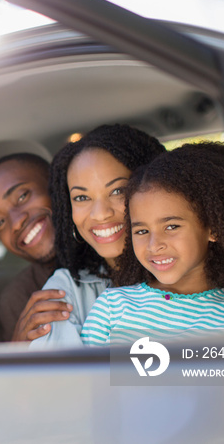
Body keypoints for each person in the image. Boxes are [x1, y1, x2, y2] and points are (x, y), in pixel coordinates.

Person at [79, 142, 224, 345]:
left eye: (171, 227)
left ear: (212, 228)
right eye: (142, 231)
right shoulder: (112, 306)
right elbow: (82, 376)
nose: (154, 244)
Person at [30, 124, 166, 348]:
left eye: (118, 191)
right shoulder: (65, 290)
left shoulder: (205, 274)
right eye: (82, 198)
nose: (101, 214)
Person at [0, 153, 71, 342]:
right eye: (0, 222)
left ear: (56, 184)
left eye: (22, 196)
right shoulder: (17, 299)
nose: (17, 222)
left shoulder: (124, 255)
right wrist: (19, 350)